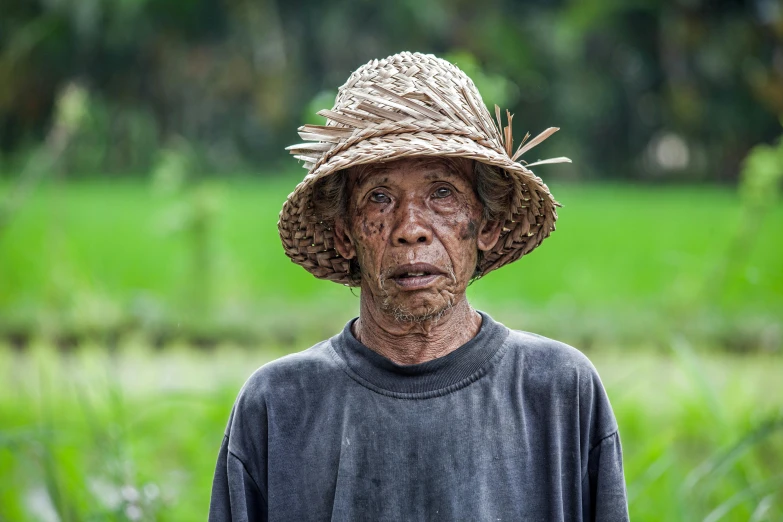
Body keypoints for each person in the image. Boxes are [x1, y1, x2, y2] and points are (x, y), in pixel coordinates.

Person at [209, 51, 629, 521]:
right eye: (380, 198)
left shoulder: (559, 393)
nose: (411, 228)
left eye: (442, 193)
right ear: (345, 233)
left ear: (485, 224)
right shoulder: (278, 406)